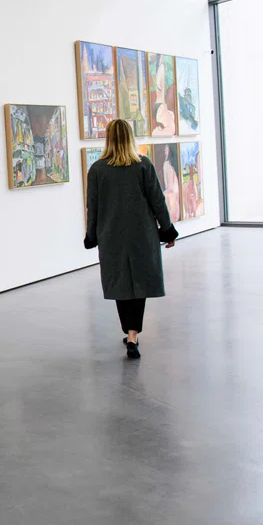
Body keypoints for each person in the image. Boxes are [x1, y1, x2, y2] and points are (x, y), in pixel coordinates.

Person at [84, 119, 178, 359]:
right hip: (142, 235)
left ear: (108, 138)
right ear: (130, 137)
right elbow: (158, 201)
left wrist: (91, 235)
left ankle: (130, 331)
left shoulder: (97, 169)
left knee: (121, 284)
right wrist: (167, 230)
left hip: (111, 236)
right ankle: (133, 334)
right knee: (139, 284)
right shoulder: (143, 165)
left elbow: (92, 207)